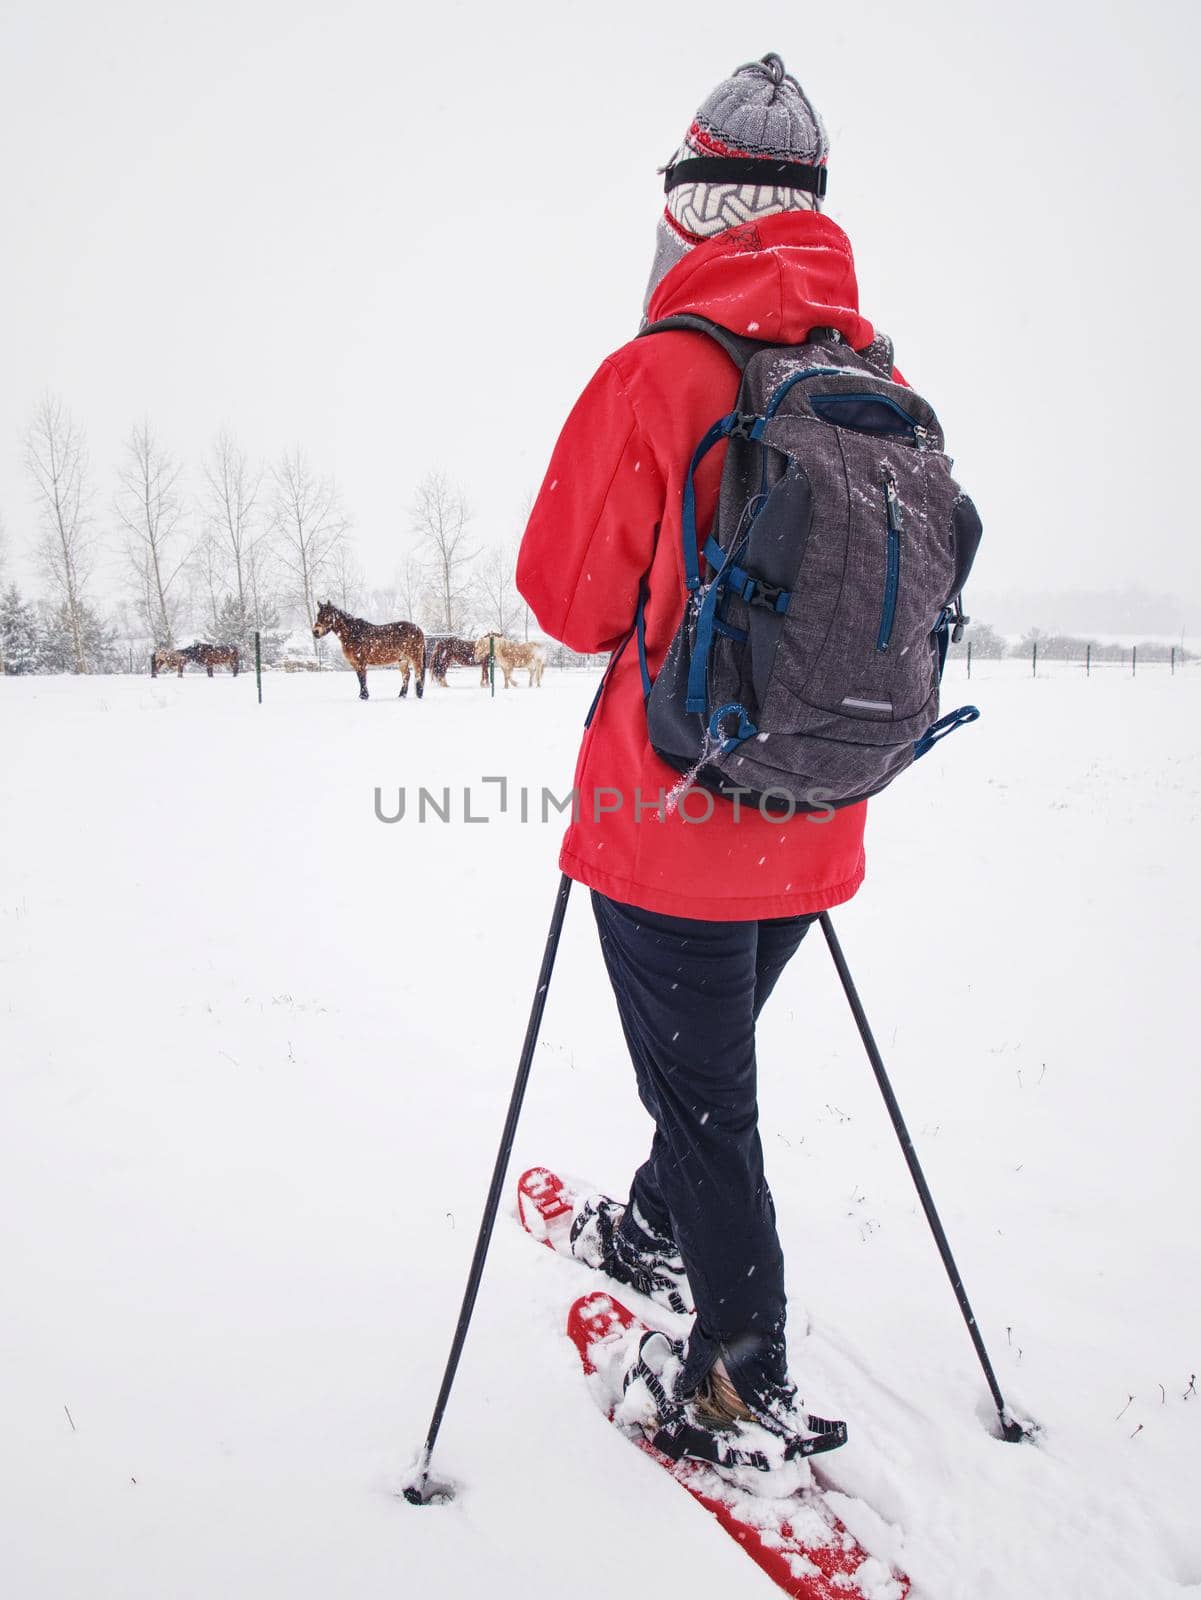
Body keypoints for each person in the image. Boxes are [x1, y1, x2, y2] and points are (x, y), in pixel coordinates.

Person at [517, 53, 882, 1443]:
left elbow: (564, 600)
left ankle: (735, 1377)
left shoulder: (665, 368)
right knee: (706, 1068)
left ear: (685, 215)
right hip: (821, 807)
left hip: (669, 819)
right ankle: (651, 1232)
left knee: (706, 1099)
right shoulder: (866, 369)